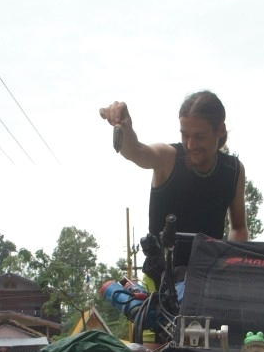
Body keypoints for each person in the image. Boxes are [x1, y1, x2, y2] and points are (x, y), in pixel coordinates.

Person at [99, 91, 248, 273]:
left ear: (220, 130)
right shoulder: (167, 159)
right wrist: (125, 127)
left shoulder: (233, 171)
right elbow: (135, 151)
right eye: (185, 135)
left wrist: (231, 263)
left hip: (207, 282)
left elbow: (239, 227)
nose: (191, 145)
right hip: (160, 283)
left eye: (199, 136)